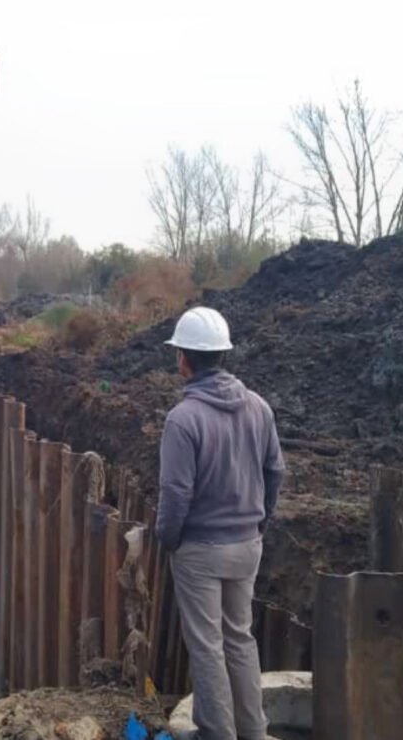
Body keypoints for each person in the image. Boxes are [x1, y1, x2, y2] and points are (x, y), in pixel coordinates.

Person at [155, 307, 284, 740]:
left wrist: (167, 539)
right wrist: (261, 518)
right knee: (240, 639)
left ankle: (215, 733)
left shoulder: (183, 420)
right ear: (223, 356)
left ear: (183, 359)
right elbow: (275, 471)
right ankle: (254, 731)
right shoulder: (260, 408)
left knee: (207, 646)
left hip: (201, 550)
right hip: (247, 543)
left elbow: (175, 494)